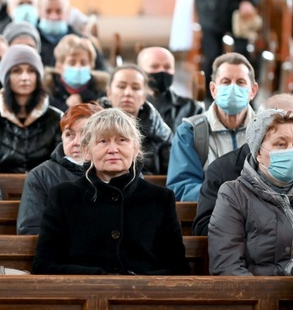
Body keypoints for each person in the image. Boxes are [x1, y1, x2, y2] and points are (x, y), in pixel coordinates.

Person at [32, 108, 189, 275]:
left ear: (135, 149)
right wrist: (100, 279)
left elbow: (178, 268)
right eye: (103, 141)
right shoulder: (63, 196)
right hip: (84, 294)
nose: (113, 149)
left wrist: (137, 283)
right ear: (87, 151)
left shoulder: (160, 198)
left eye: (122, 140)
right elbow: (44, 265)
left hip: (144, 297)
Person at [193, 93, 293, 236]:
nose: (287, 129)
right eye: (277, 124)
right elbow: (205, 229)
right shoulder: (223, 170)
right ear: (258, 131)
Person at [208, 108, 293, 276]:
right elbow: (226, 265)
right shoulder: (234, 194)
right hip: (257, 296)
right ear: (259, 153)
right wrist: (262, 299)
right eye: (281, 144)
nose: (291, 151)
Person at [166, 52, 258, 202]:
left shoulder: (266, 131)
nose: (233, 88)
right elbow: (181, 188)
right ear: (213, 89)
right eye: (226, 82)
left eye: (240, 82)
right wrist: (231, 197)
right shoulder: (190, 131)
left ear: (253, 91)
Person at [17, 102, 103, 235]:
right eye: (69, 134)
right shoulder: (40, 175)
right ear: (62, 137)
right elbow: (30, 230)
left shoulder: (122, 171)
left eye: (86, 134)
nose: (77, 142)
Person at [0, 44, 62, 173]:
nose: (25, 77)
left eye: (31, 70)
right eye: (17, 71)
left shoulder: (56, 119)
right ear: (6, 76)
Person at [100, 65, 172, 175]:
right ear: (109, 93)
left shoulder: (161, 133)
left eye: (136, 88)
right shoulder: (89, 125)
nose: (128, 93)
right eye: (121, 86)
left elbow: (171, 175)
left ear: (144, 96)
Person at [37, 0, 107, 71]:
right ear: (40, 12)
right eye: (48, 11)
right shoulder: (30, 41)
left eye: (59, 11)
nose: (53, 17)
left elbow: (101, 72)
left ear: (68, 13)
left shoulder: (83, 42)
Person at [137, 46, 204, 132]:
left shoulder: (192, 108)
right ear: (140, 70)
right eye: (154, 66)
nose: (162, 71)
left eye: (167, 67)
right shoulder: (129, 105)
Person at [45, 34, 109, 112]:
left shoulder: (102, 91)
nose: (78, 67)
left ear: (91, 66)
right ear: (59, 66)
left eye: (83, 63)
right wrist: (65, 107)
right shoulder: (47, 92)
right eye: (72, 63)